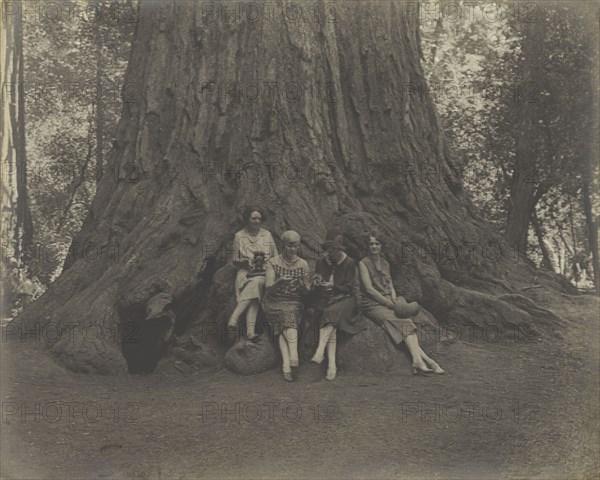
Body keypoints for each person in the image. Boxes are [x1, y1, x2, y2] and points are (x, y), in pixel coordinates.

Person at [358, 231, 445, 375]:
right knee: (402, 322)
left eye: (377, 243)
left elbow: (390, 284)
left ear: (381, 246)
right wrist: (388, 303)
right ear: (368, 246)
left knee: (405, 321)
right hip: (372, 304)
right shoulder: (363, 263)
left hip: (388, 301)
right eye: (371, 244)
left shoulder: (385, 263)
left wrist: (394, 298)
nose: (374, 246)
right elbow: (369, 289)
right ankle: (427, 361)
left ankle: (420, 361)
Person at [310, 230, 365, 380]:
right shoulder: (322, 262)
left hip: (346, 299)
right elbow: (318, 281)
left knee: (330, 313)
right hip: (327, 299)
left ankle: (320, 352)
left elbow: (349, 288)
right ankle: (332, 366)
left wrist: (332, 286)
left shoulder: (349, 263)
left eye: (334, 249)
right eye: (328, 248)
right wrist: (317, 281)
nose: (330, 252)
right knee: (330, 317)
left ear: (340, 248)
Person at [262, 230, 310, 382]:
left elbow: (307, 290)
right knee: (287, 322)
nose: (292, 249)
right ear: (283, 245)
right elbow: (268, 287)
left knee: (284, 327)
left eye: (295, 246)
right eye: (289, 246)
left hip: (295, 301)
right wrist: (280, 281)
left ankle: (286, 365)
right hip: (274, 301)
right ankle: (294, 356)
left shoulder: (303, 264)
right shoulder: (273, 262)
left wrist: (303, 286)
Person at [228, 206, 278, 340]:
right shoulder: (239, 236)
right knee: (256, 287)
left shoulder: (267, 234)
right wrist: (243, 261)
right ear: (247, 219)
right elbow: (234, 259)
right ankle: (250, 332)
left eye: (259, 219)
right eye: (253, 218)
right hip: (246, 273)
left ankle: (234, 317)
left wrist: (269, 267)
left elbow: (275, 257)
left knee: (258, 282)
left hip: (264, 273)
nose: (257, 221)